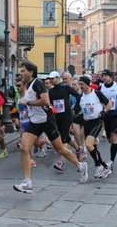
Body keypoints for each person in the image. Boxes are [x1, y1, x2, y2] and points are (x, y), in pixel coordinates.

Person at [14, 61, 88, 194]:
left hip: (47, 120)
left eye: (23, 70)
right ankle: (27, 183)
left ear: (31, 72)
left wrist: (28, 102)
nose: (21, 73)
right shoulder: (29, 85)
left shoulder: (37, 83)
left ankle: (81, 166)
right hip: (35, 121)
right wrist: (28, 109)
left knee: (60, 149)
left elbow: (46, 101)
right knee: (24, 147)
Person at [74, 76, 112, 179]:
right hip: (86, 123)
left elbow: (109, 104)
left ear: (87, 84)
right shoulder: (80, 97)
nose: (80, 86)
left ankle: (98, 166)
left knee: (88, 144)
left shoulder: (97, 93)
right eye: (79, 84)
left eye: (82, 84)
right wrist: (78, 113)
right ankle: (104, 166)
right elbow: (77, 113)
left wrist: (104, 112)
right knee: (92, 147)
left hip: (97, 121)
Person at [48, 71, 82, 172]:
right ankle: (78, 149)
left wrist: (76, 108)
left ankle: (61, 163)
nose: (50, 80)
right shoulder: (51, 91)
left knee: (63, 139)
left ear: (58, 78)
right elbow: (50, 104)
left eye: (52, 78)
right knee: (66, 136)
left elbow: (78, 96)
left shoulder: (66, 88)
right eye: (49, 79)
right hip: (57, 117)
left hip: (67, 116)